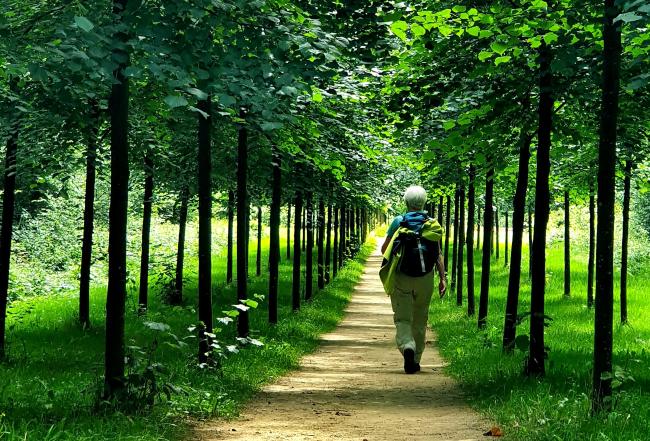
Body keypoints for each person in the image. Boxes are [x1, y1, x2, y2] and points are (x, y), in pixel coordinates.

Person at [380, 185, 447, 374]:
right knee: (420, 316)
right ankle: (416, 358)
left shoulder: (398, 222)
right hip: (425, 278)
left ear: (406, 202)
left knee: (403, 318)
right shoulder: (432, 224)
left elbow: (385, 250)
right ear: (424, 202)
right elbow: (437, 254)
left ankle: (407, 346)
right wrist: (442, 278)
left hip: (402, 276)